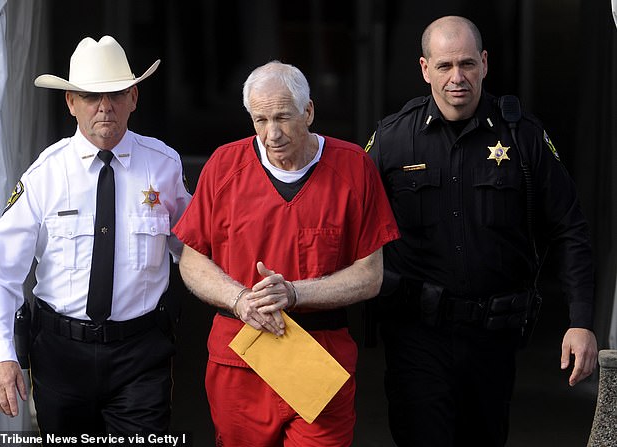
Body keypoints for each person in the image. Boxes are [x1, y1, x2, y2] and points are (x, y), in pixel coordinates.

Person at [365, 15, 598, 447]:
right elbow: (348, 222)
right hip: (417, 336)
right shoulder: (393, 139)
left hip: (493, 339)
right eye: (445, 66)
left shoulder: (523, 136)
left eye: (468, 64)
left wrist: (581, 321)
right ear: (424, 69)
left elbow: (570, 229)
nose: (458, 78)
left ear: (485, 64)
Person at [173, 60, 399, 446]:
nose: (271, 134)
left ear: (308, 111)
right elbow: (192, 258)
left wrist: (295, 293)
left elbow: (370, 274)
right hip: (240, 354)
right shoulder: (224, 165)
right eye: (260, 120)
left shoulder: (353, 166)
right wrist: (240, 298)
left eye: (282, 117)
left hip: (319, 353)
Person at [0, 35, 191, 437]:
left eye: (115, 94)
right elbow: (0, 274)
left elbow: (197, 250)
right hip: (61, 356)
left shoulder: (164, 166)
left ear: (133, 97)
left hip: (141, 354)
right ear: (71, 103)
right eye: (91, 96)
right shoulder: (44, 175)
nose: (104, 107)